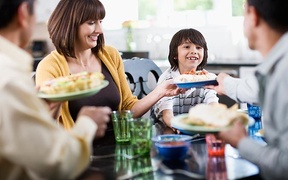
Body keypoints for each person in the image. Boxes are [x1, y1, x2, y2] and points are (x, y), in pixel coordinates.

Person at [35, 0, 183, 146]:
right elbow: (45, 128)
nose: (100, 30)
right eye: (91, 22)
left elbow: (127, 108)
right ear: (70, 24)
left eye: (100, 21)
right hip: (78, 153)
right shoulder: (49, 67)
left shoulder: (110, 55)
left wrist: (160, 91)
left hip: (119, 148)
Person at [0, 0, 112, 179]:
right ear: (23, 14)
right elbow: (57, 163)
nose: (99, 29)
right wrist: (88, 122)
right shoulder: (10, 80)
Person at [212, 0, 288, 179]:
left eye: (244, 13)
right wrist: (228, 84)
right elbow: (256, 88)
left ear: (253, 15)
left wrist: (241, 142)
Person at [153, 28, 219, 129]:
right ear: (175, 54)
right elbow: (167, 113)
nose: (193, 51)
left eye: (198, 47)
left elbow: (213, 103)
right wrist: (178, 127)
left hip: (196, 129)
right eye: (187, 47)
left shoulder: (206, 78)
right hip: (169, 129)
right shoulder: (167, 79)